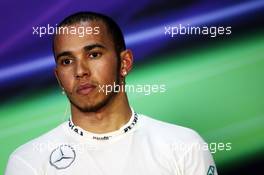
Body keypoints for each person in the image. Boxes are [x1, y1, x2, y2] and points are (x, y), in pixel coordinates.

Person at [5, 11, 218, 175]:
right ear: (59, 77)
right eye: (67, 61)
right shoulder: (28, 162)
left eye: (94, 54)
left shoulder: (184, 145)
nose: (80, 71)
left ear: (124, 62)